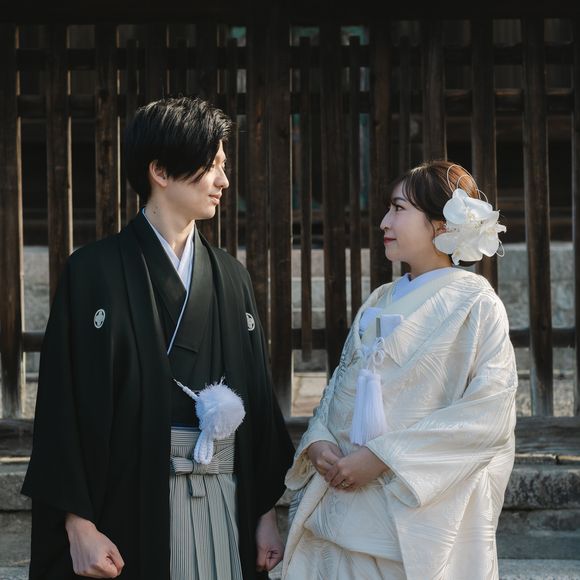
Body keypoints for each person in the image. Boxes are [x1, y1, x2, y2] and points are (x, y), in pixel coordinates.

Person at [22, 96, 295, 580]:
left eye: (223, 166)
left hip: (224, 498)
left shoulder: (231, 278)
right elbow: (62, 408)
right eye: (212, 166)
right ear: (161, 171)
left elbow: (257, 401)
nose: (224, 182)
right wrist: (78, 524)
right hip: (124, 508)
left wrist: (265, 515)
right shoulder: (93, 273)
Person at [282, 161, 517, 580]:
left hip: (409, 514)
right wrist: (318, 442)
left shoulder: (477, 304)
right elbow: (340, 389)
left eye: (398, 209)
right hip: (341, 501)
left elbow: (490, 412)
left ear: (442, 225)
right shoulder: (380, 299)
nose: (384, 222)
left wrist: (382, 457)